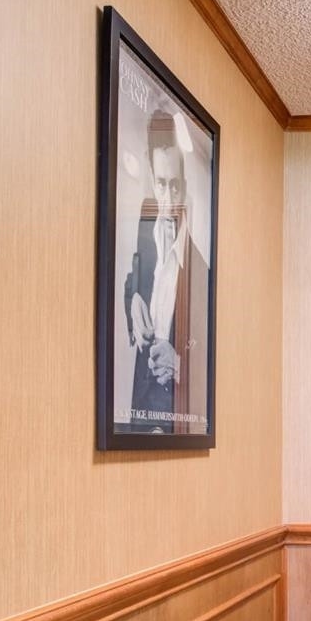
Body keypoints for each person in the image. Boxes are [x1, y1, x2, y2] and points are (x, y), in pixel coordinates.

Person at [122, 107, 208, 433]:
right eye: (160, 185)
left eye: (174, 186)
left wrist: (180, 365)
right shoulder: (145, 235)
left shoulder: (201, 271)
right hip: (136, 410)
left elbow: (210, 360)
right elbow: (131, 281)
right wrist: (132, 302)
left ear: (185, 185)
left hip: (174, 414)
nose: (167, 198)